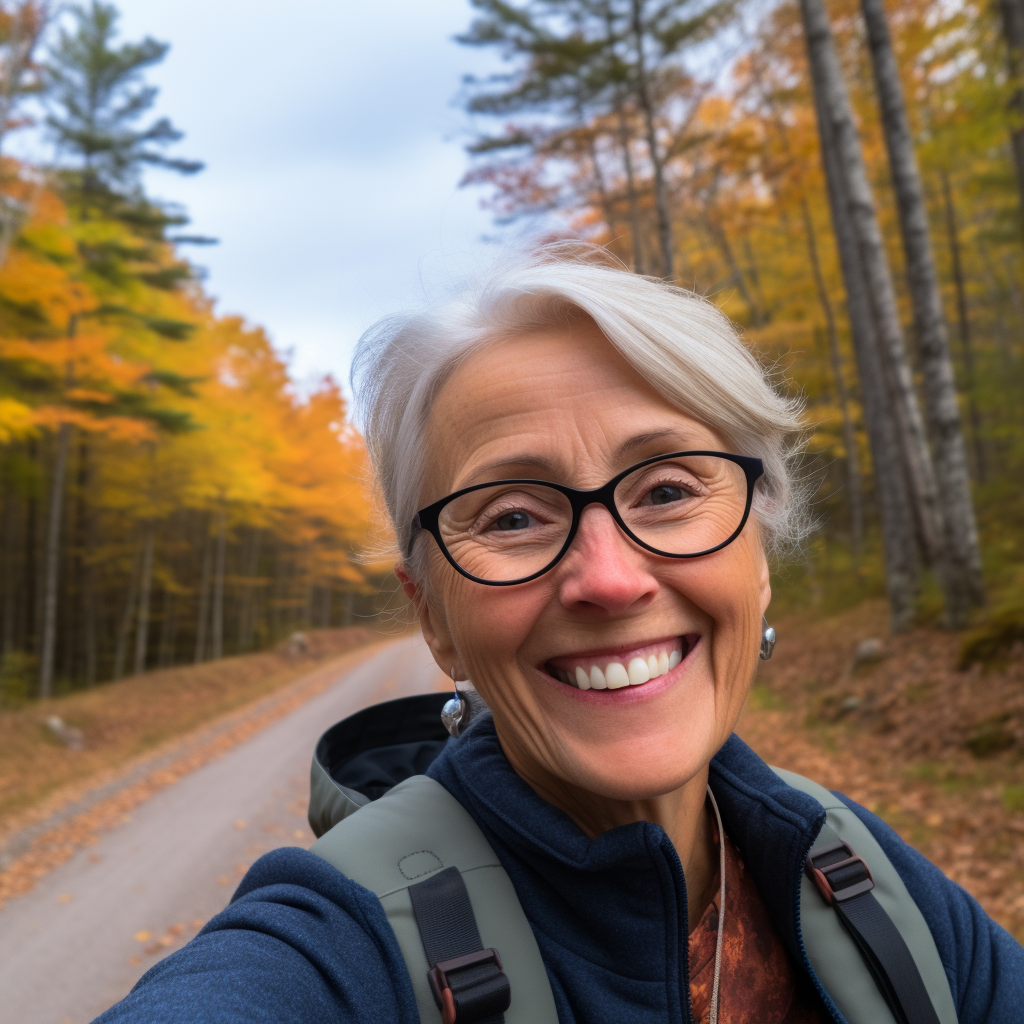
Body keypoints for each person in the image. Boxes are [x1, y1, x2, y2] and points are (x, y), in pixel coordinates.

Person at [95, 245, 1023, 1023]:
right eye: (511, 518)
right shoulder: (333, 940)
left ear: (759, 554)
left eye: (666, 491)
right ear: (434, 618)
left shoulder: (856, 872)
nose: (611, 580)